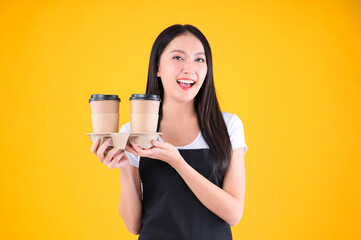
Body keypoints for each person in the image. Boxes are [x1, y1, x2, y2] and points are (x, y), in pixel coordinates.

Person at [90, 24, 248, 240]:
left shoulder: (228, 125)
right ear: (157, 67)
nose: (189, 68)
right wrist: (125, 165)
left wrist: (178, 162)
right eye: (178, 58)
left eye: (199, 59)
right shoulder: (134, 132)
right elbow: (133, 224)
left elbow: (234, 214)